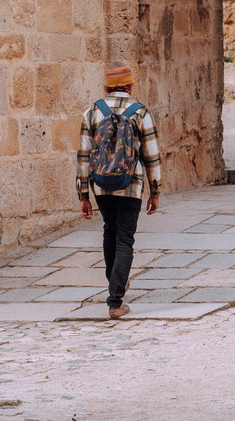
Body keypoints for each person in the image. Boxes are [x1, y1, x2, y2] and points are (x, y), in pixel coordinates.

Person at [76, 63, 161, 319]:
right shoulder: (140, 112)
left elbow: (83, 156)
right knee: (125, 239)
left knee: (109, 231)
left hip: (101, 184)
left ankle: (116, 281)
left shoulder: (93, 112)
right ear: (130, 85)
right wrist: (155, 190)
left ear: (107, 86)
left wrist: (83, 194)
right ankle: (115, 301)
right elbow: (151, 155)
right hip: (130, 184)